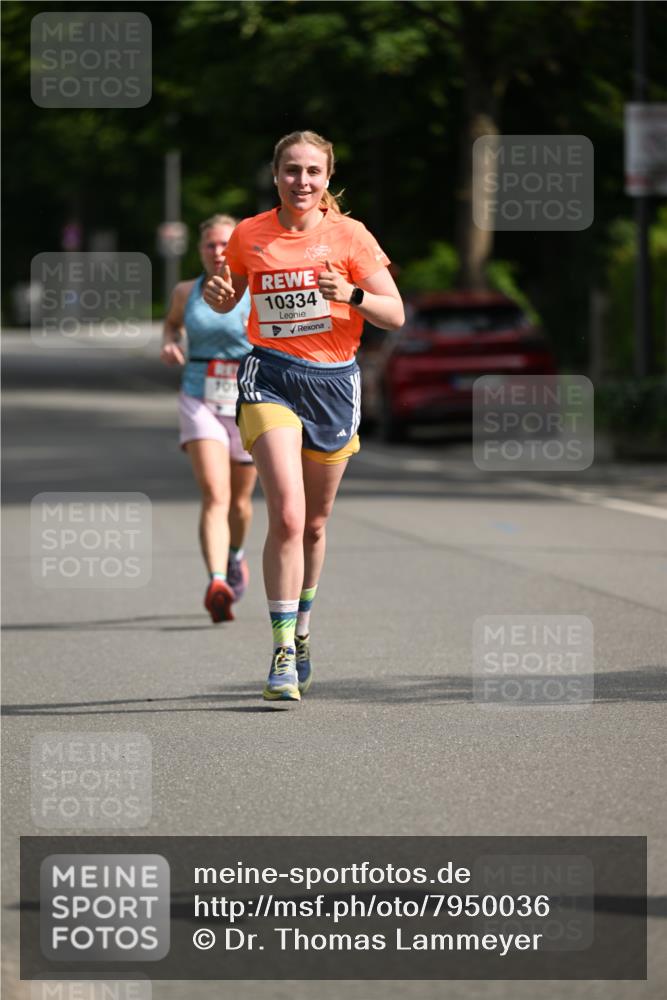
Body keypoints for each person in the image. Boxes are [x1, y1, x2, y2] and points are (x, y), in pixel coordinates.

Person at [203, 131, 404, 701]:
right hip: (269, 377)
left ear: (327, 177)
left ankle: (304, 630)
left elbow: (395, 314)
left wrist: (351, 294)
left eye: (313, 171)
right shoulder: (249, 234)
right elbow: (231, 293)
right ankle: (282, 651)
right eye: (292, 170)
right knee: (288, 517)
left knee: (315, 523)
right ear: (276, 176)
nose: (302, 181)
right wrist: (221, 298)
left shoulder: (350, 236)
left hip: (334, 384)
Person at [161, 214, 257, 623]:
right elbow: (171, 325)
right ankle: (217, 582)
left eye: (225, 245)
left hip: (249, 402)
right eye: (210, 245)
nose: (218, 252)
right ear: (200, 250)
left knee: (240, 503)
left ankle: (234, 556)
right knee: (215, 495)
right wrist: (169, 344)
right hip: (198, 397)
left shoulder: (256, 287)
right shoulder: (187, 291)